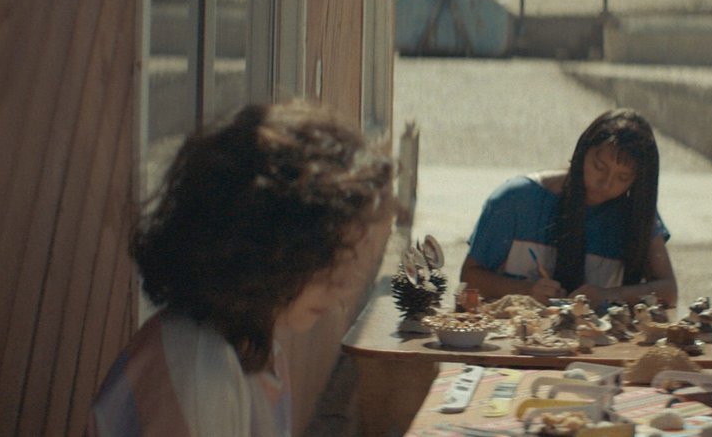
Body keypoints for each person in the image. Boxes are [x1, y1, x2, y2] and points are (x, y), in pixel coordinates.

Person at [89, 102, 392, 437]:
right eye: (323, 261)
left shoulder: (250, 345)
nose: (341, 288)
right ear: (259, 241)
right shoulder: (200, 371)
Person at [460, 109, 678, 307]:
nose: (606, 184)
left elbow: (668, 292)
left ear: (637, 182)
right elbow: (469, 278)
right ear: (582, 154)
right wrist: (526, 291)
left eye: (622, 177)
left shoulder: (637, 214)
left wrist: (608, 295)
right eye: (599, 167)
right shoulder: (517, 199)